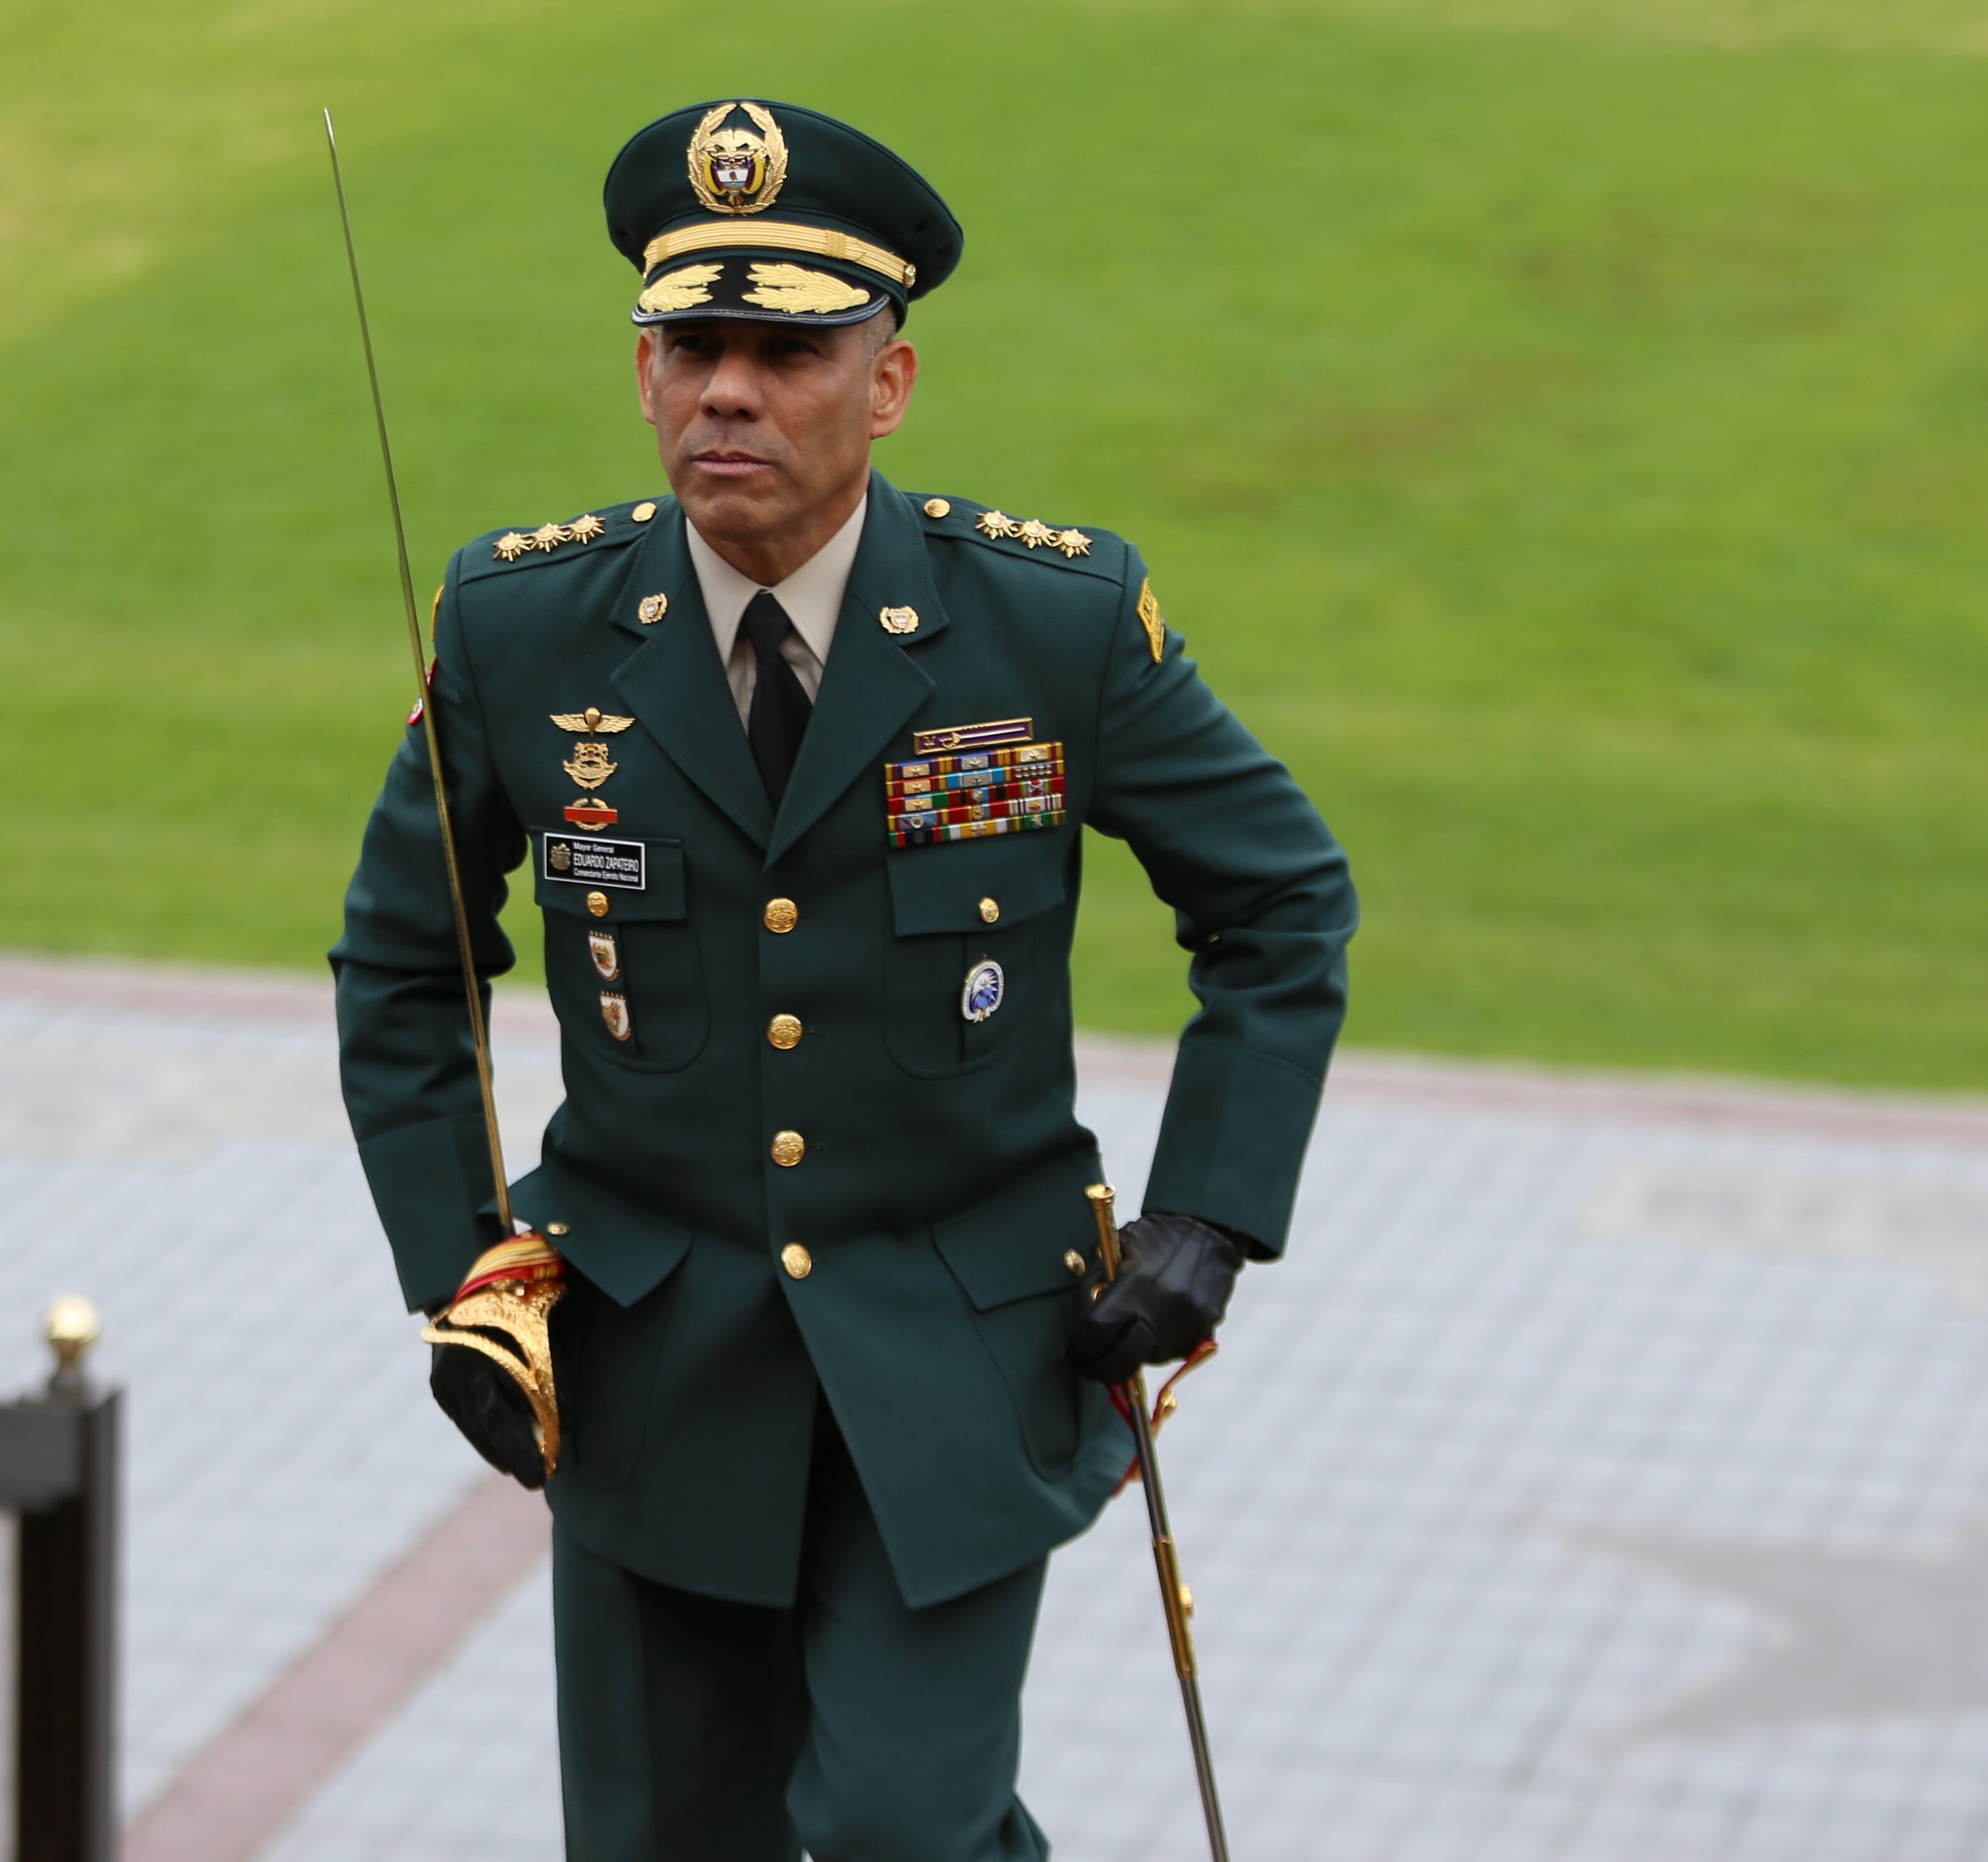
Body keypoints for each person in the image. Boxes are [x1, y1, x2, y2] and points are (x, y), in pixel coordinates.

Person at [333, 101, 1357, 1858]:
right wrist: (465, 1274)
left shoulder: (1048, 625)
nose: (727, 392)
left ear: (886, 385)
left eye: (787, 351)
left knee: (900, 1826)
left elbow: (1280, 899)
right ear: (643, 373)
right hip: (650, 1362)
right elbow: (403, 959)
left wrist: (1210, 1213)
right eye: (692, 349)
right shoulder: (522, 627)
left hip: (954, 1358)